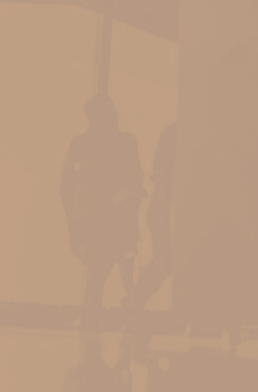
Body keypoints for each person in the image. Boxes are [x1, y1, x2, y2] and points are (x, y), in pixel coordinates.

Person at [60, 95, 148, 328]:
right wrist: (74, 221)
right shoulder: (83, 144)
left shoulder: (121, 142)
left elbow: (135, 179)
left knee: (113, 276)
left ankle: (110, 320)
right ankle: (106, 320)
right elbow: (66, 186)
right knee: (104, 275)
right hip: (98, 222)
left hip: (116, 221)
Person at [125, 123, 176, 312]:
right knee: (164, 262)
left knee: (163, 262)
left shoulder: (173, 133)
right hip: (165, 210)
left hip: (162, 208)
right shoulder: (176, 134)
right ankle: (133, 301)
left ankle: (133, 301)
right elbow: (162, 175)